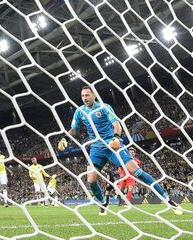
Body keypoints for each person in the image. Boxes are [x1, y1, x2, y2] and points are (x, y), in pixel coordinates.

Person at [58, 86, 182, 215]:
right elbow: (74, 129)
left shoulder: (104, 107)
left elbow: (117, 124)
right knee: (91, 180)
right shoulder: (79, 111)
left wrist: (116, 138)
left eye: (87, 95)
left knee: (137, 172)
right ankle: (102, 202)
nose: (84, 98)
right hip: (96, 148)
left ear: (94, 95)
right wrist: (64, 138)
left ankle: (168, 200)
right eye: (83, 96)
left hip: (113, 145)